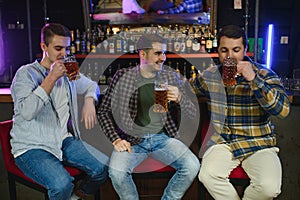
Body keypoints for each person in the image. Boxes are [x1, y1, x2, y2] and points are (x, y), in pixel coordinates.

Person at [190, 24, 291, 199]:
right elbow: (187, 89)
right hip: (223, 143)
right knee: (207, 175)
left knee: (269, 188)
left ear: (245, 50)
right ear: (218, 51)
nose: (230, 56)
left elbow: (282, 111)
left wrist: (253, 79)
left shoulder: (264, 74)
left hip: (258, 143)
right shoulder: (211, 75)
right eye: (224, 50)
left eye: (236, 50)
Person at [10, 23, 109, 200]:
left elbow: (91, 85)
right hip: (32, 147)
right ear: (44, 47)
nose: (64, 54)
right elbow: (27, 112)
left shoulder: (68, 71)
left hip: (63, 140)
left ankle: (77, 196)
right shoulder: (26, 74)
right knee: (62, 184)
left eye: (67, 48)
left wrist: (89, 101)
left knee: (103, 166)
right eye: (58, 48)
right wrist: (51, 77)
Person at [97, 33, 200, 199]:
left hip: (163, 139)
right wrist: (116, 139)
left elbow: (193, 113)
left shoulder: (170, 76)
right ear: (142, 54)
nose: (163, 58)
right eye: (157, 53)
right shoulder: (123, 76)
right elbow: (103, 112)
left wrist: (181, 98)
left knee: (192, 165)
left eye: (164, 53)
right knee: (116, 173)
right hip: (132, 140)